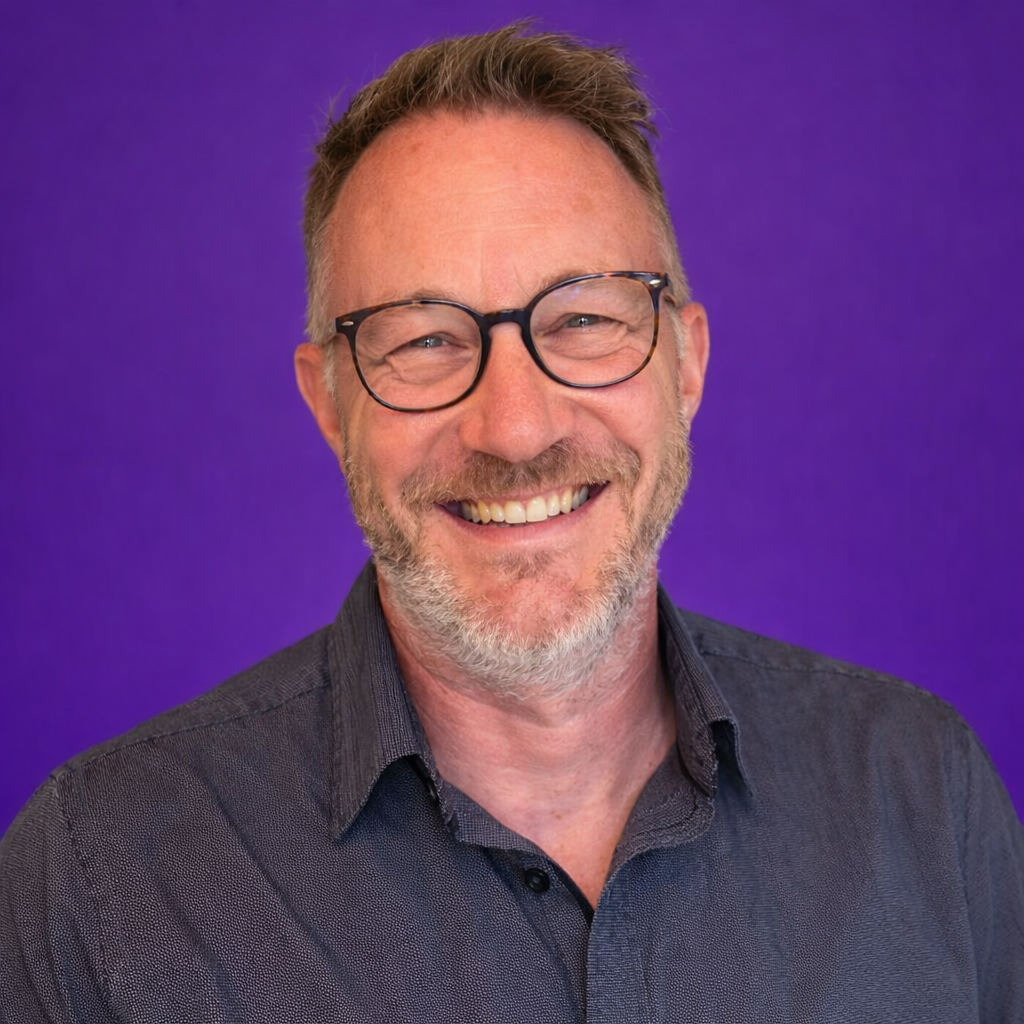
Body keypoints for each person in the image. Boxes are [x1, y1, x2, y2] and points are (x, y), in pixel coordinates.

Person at [1, 23, 1021, 1023]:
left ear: (686, 362)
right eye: (426, 339)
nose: (516, 427)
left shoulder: (924, 798)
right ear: (327, 403)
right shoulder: (97, 884)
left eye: (583, 320)